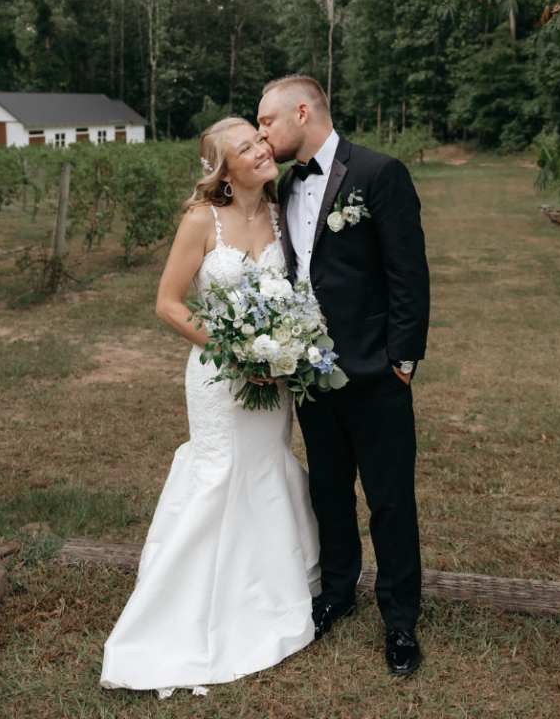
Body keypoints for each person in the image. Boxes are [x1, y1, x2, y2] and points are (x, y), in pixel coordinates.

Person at [101, 117, 320, 697]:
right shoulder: (202, 221)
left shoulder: (282, 215)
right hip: (219, 377)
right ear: (224, 173)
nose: (261, 149)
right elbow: (169, 304)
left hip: (271, 380)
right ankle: (186, 606)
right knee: (218, 470)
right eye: (245, 148)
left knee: (265, 466)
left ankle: (269, 586)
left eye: (260, 139)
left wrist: (279, 346)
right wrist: (236, 348)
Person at [257, 75, 430, 678]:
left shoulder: (380, 174)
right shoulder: (283, 185)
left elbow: (409, 273)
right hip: (312, 375)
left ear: (302, 113)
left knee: (388, 501)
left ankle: (400, 619)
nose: (262, 135)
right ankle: (336, 591)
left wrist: (401, 362)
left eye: (267, 122)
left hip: (378, 374)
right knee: (328, 490)